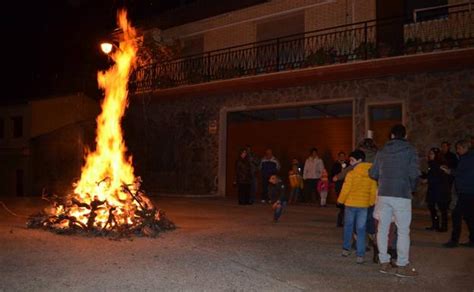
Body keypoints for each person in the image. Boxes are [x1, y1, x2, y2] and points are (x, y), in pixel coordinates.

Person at [369, 124, 420, 277]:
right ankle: (402, 266)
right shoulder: (410, 150)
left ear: (391, 136)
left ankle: (384, 262)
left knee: (382, 229)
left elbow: (373, 173)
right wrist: (411, 187)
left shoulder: (382, 151)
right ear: (405, 136)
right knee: (403, 230)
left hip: (384, 193)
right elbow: (414, 173)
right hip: (402, 193)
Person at [337, 150, 377, 264]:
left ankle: (346, 249)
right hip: (363, 206)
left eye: (352, 160)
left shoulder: (351, 174)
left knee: (348, 227)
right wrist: (371, 202)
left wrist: (340, 200)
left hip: (350, 204)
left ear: (359, 160)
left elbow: (346, 189)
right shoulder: (371, 174)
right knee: (361, 229)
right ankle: (360, 255)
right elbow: (373, 190)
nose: (350, 162)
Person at [442, 139, 474, 248]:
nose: (457, 150)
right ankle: (472, 240)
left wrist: (449, 171)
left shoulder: (467, 158)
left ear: (465, 148)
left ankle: (454, 241)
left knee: (456, 214)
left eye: (459, 148)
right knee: (469, 216)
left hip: (467, 191)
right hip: (468, 191)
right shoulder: (468, 157)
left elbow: (462, 173)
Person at [420, 148, 451, 232]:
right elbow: (432, 176)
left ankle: (443, 227)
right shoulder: (433, 164)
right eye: (429, 153)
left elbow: (438, 177)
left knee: (442, 209)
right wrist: (424, 176)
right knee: (433, 208)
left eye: (432, 154)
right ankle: (436, 225)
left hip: (440, 191)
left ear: (437, 155)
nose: (429, 155)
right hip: (434, 190)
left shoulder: (439, 164)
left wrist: (427, 180)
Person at [331, 151, 349, 227]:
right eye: (340, 156)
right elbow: (332, 174)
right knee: (341, 204)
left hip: (346, 184)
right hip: (338, 184)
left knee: (345, 204)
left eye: (343, 156)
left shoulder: (348, 164)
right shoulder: (335, 164)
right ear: (338, 157)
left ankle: (343, 220)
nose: (342, 157)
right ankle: (340, 221)